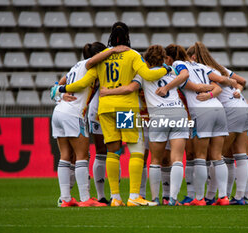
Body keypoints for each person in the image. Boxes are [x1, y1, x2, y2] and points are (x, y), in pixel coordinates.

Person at [51, 22, 171, 206]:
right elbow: (148, 75)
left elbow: (83, 83)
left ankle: (115, 197)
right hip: (125, 108)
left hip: (105, 109)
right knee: (136, 150)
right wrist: (166, 69)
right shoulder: (132, 55)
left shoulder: (102, 58)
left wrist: (61, 88)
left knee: (112, 152)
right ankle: (133, 196)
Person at [100, 45, 192, 206]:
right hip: (178, 113)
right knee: (176, 159)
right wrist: (168, 87)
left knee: (155, 159)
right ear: (163, 58)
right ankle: (172, 199)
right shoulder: (170, 70)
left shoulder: (142, 75)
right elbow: (185, 75)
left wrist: (107, 92)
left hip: (158, 116)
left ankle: (155, 198)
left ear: (146, 60)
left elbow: (130, 88)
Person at [53, 42, 128, 207]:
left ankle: (65, 199)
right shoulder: (89, 66)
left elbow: (58, 84)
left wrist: (58, 93)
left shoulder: (75, 66)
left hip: (58, 111)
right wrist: (114, 50)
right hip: (74, 113)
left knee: (65, 156)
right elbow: (93, 61)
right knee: (82, 156)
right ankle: (86, 199)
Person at [160, 44, 229, 206]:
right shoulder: (200, 65)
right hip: (218, 109)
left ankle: (198, 198)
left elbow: (188, 83)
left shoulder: (177, 65)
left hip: (201, 110)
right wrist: (211, 91)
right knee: (217, 156)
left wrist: (198, 89)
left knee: (200, 156)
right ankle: (224, 197)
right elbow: (220, 83)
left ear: (170, 58)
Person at [190, 42, 248, 205]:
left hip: (230, 111)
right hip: (244, 108)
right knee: (241, 155)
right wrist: (237, 91)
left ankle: (211, 195)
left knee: (217, 156)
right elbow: (242, 81)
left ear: (194, 57)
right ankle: (242, 197)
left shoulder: (205, 70)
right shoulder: (220, 68)